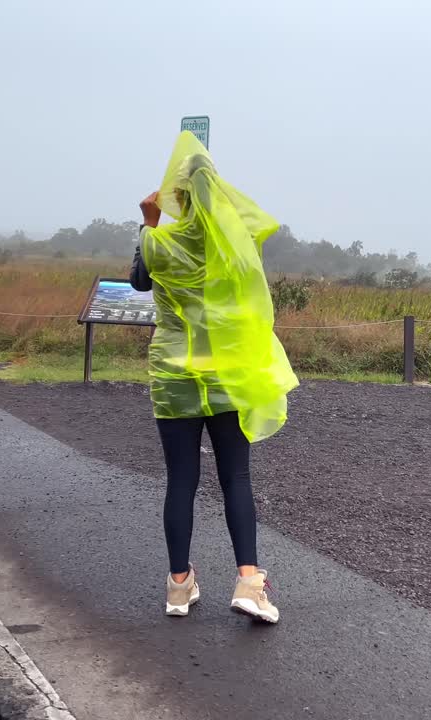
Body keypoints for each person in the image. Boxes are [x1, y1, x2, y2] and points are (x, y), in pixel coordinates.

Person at [130, 131, 298, 623]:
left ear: (176, 196)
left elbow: (139, 279)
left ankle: (179, 587)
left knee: (181, 480)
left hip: (174, 377)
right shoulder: (234, 246)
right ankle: (249, 582)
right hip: (226, 374)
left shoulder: (159, 241)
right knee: (236, 477)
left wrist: (149, 222)